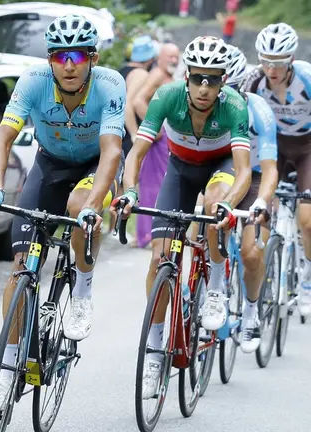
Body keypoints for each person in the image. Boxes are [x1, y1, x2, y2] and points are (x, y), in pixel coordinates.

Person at [0, 13, 125, 409]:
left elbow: (112, 150)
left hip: (95, 166)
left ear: (92, 58)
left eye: (77, 55)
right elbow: (2, 139)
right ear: (50, 60)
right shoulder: (33, 82)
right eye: (60, 56)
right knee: (21, 267)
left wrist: (95, 206)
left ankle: (82, 291)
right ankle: (8, 370)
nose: (69, 64)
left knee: (80, 208)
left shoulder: (110, 84)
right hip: (50, 165)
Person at [114, 36, 251, 399]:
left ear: (223, 83)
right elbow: (136, 153)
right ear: (187, 76)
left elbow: (244, 170)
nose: (205, 88)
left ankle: (218, 286)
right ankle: (155, 352)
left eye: (214, 80)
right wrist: (130, 191)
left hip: (219, 168)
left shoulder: (235, 106)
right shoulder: (167, 97)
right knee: (160, 257)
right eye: (198, 78)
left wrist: (229, 204)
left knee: (215, 202)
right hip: (180, 168)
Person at [243, 23, 311, 317]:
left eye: (278, 63)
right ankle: (266, 274)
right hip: (275, 148)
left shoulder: (307, 79)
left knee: (307, 221)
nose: (271, 69)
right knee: (262, 216)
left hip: (308, 148)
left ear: (291, 59)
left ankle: (307, 280)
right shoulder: (253, 81)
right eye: (265, 61)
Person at [224, 45, 279, 353]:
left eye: (231, 89)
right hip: (220, 173)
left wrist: (264, 200)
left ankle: (250, 312)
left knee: (251, 254)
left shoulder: (259, 110)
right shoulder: (201, 104)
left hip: (256, 176)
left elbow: (272, 168)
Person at [131, 42, 180, 248]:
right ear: (159, 58)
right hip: (157, 139)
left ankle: (156, 232)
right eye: (169, 56)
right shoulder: (158, 75)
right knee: (151, 186)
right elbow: (138, 101)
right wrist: (154, 127)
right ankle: (146, 235)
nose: (174, 61)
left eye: (176, 57)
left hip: (169, 139)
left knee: (162, 184)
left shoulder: (169, 77)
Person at [120, 35, 158, 156]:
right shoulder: (140, 74)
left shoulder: (121, 71)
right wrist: (134, 134)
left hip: (116, 133)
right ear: (151, 58)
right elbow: (127, 103)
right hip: (127, 136)